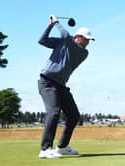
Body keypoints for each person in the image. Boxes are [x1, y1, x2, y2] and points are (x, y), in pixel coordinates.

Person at [38, 15, 94, 158]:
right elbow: (42, 40)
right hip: (47, 82)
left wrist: (56, 22)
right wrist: (50, 25)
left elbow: (65, 35)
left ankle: (62, 147)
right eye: (86, 38)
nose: (88, 42)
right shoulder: (63, 42)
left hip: (60, 85)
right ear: (78, 37)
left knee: (74, 115)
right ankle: (45, 149)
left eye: (89, 40)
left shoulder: (82, 52)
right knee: (54, 112)